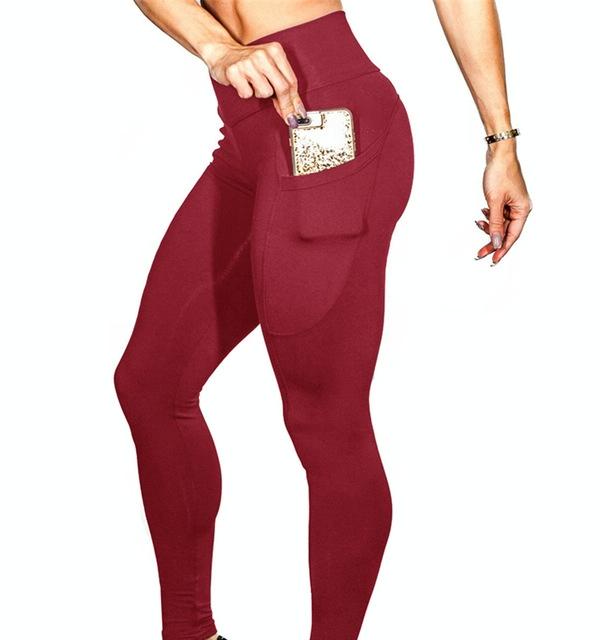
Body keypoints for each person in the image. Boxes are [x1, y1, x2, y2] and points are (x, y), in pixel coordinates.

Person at [113, 2, 532, 639]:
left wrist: (501, 142)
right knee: (151, 384)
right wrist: (214, 47)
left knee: (325, 420)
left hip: (332, 128)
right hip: (249, 133)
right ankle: (189, 634)